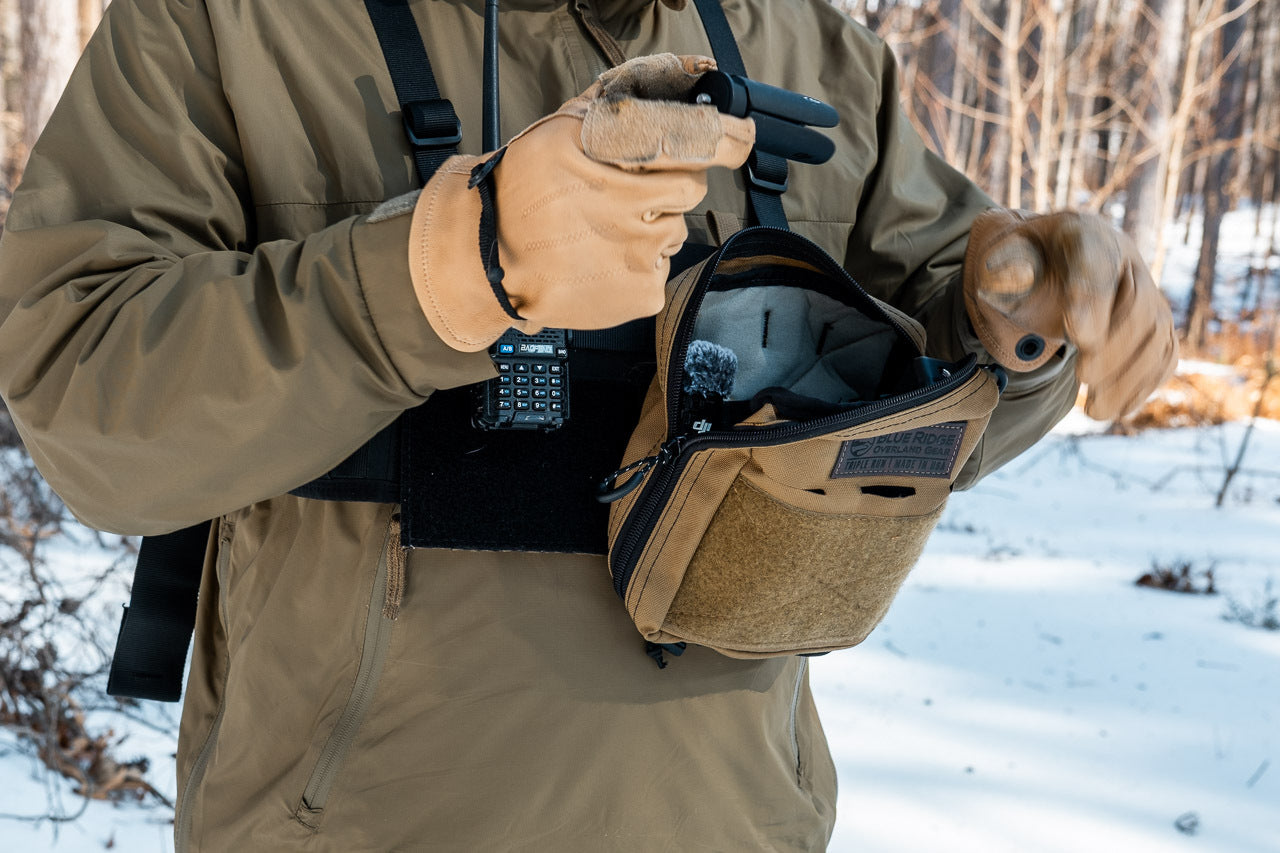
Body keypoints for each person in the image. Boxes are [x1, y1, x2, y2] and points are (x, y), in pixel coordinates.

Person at [0, 0, 1174, 850]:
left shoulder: (802, 47)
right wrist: (442, 268)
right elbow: (82, 396)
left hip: (734, 821)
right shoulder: (230, 26)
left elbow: (925, 404)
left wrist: (1019, 330)